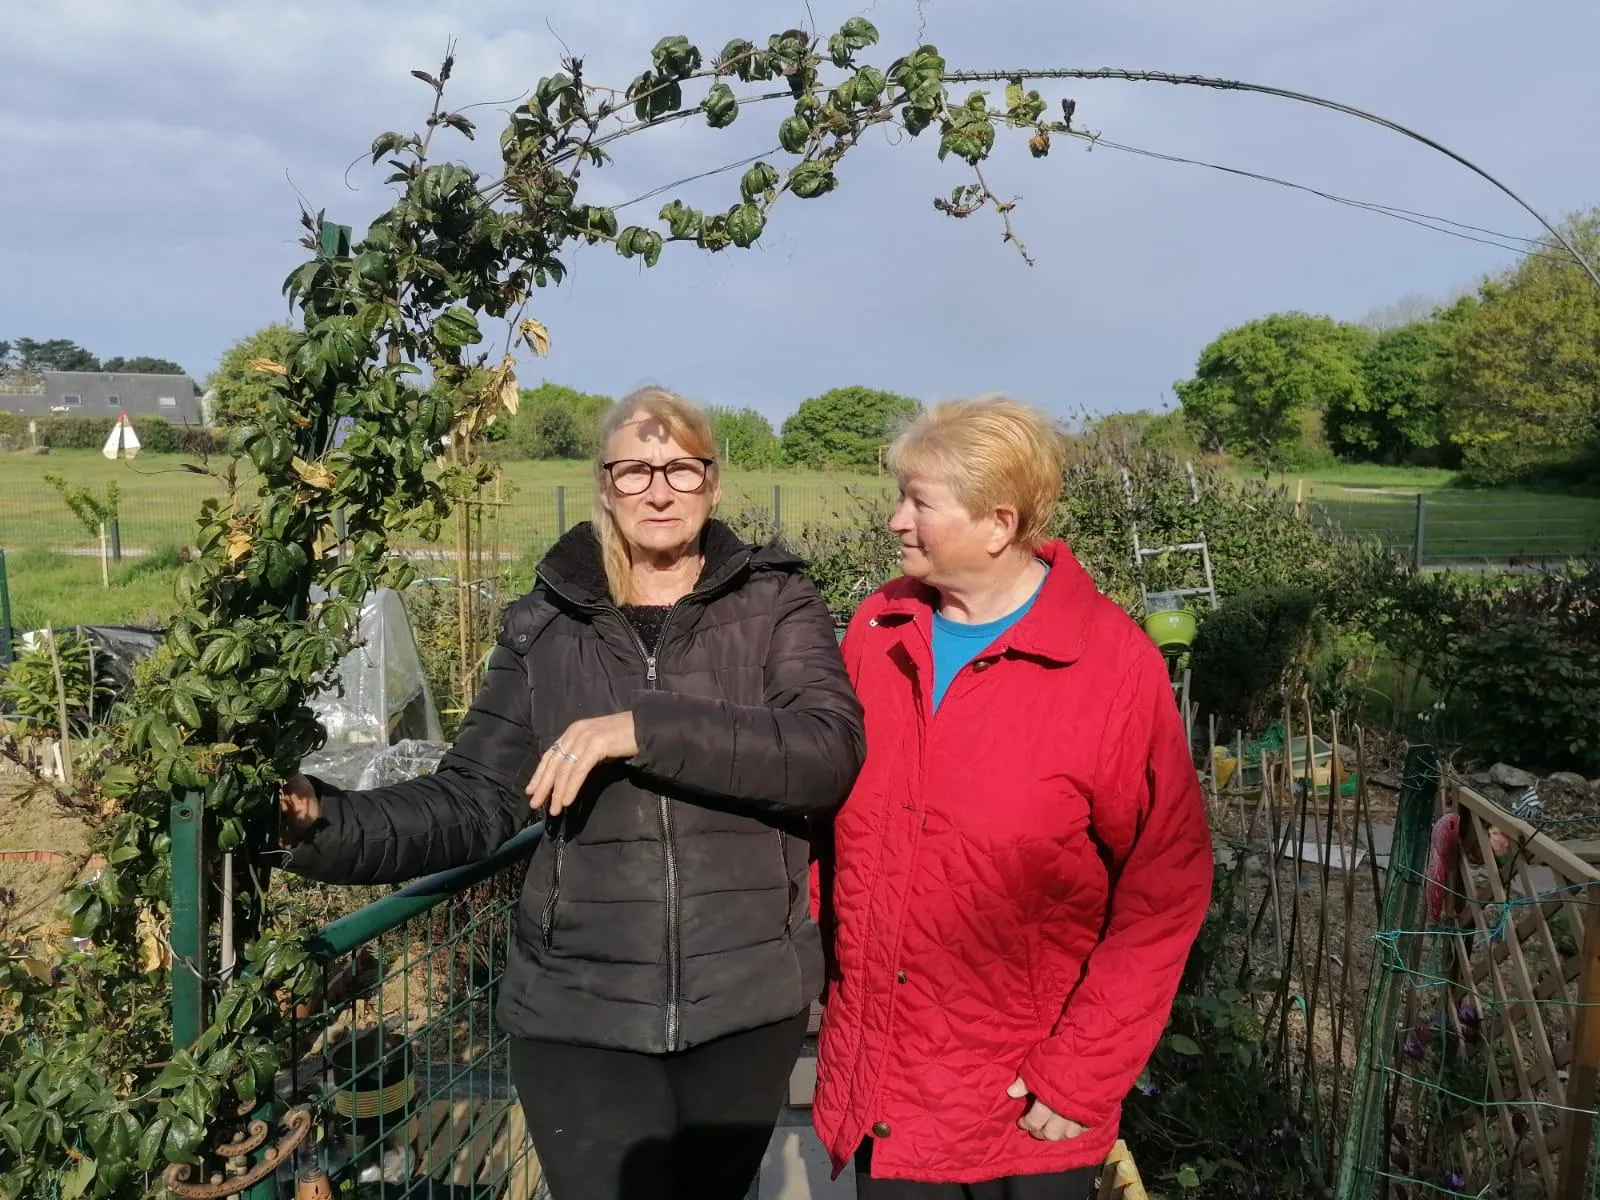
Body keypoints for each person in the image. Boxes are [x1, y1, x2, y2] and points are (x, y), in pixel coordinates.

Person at [280, 386, 865, 1200]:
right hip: (579, 1007)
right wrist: (323, 821)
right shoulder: (545, 625)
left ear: (713, 484)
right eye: (634, 471)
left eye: (681, 470)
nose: (659, 490)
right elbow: (475, 800)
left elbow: (824, 754)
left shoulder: (775, 603)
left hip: (743, 1001)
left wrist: (639, 729)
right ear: (604, 485)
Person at [810, 396, 1214, 1198]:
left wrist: (1082, 1074)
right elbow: (827, 828)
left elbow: (1165, 887)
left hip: (1026, 1109)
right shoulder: (879, 629)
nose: (895, 521)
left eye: (919, 502)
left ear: (998, 523)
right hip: (883, 1093)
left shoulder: (1110, 665)